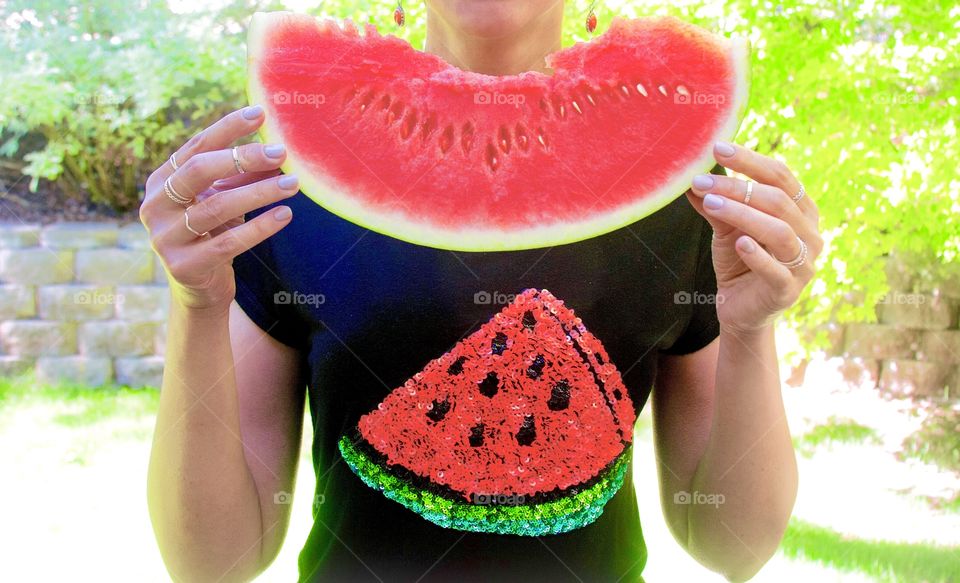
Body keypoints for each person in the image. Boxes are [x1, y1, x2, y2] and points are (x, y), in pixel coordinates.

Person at [142, 2, 821, 581]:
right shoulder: (287, 195)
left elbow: (732, 547)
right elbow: (214, 563)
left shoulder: (686, 198)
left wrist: (750, 328)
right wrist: (196, 304)